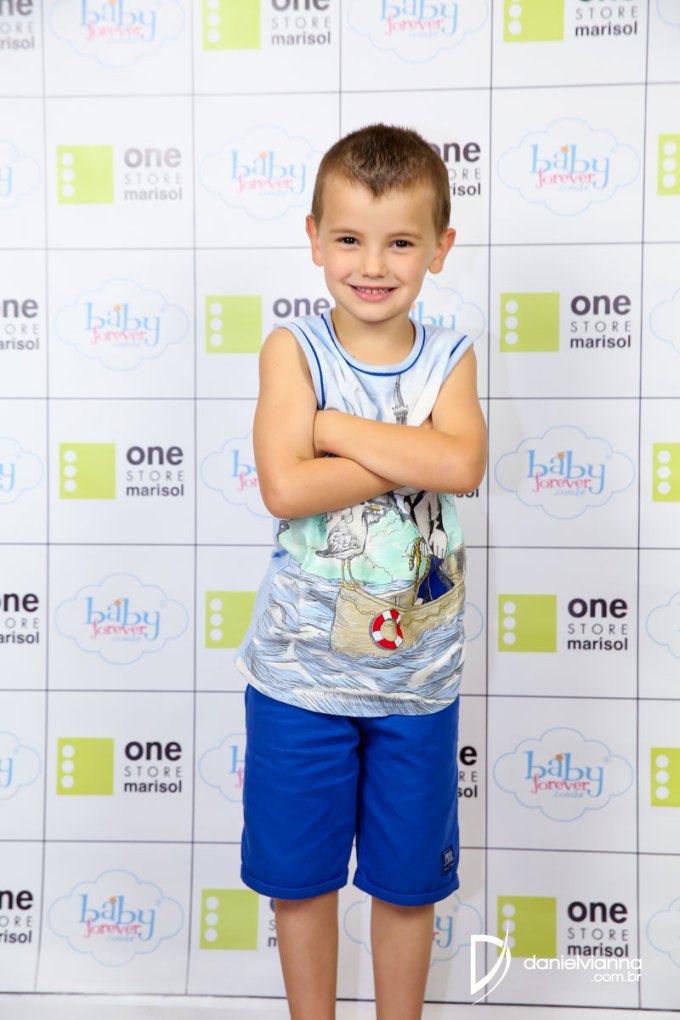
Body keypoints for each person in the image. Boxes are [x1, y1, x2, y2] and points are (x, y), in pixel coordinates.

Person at [236, 123, 487, 1020]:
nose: (372, 265)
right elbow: (286, 486)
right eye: (348, 238)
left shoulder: (450, 356)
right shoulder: (292, 351)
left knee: (407, 884)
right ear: (314, 239)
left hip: (418, 684)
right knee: (300, 881)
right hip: (300, 679)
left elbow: (462, 466)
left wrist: (334, 430)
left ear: (440, 248)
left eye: (401, 243)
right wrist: (414, 448)